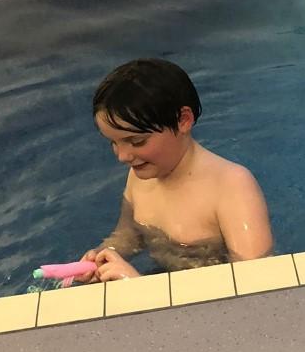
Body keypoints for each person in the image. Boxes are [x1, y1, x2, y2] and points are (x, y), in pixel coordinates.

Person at [80, 59, 273, 280]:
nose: (123, 156)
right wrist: (101, 258)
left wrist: (138, 286)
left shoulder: (232, 186)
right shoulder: (140, 175)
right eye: (114, 143)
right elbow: (128, 235)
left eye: (137, 141)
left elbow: (257, 282)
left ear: (183, 120)